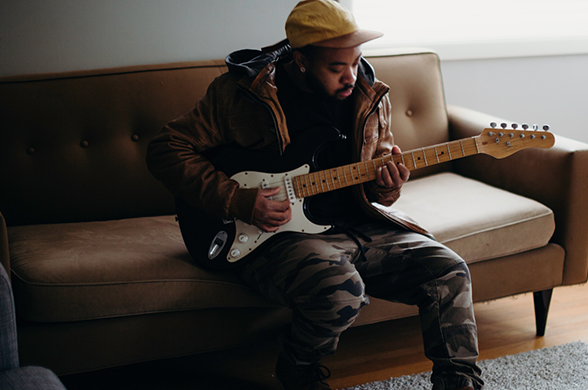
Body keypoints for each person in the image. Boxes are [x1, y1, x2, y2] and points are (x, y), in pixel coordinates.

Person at [146, 1, 484, 389]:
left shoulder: (370, 95)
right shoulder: (241, 93)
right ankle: (298, 369)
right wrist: (237, 200)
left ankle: (459, 383)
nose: (351, 77)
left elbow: (378, 178)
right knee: (341, 289)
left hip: (357, 224)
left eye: (356, 62)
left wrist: (386, 185)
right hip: (275, 237)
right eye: (336, 68)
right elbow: (166, 149)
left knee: (449, 269)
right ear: (301, 61)